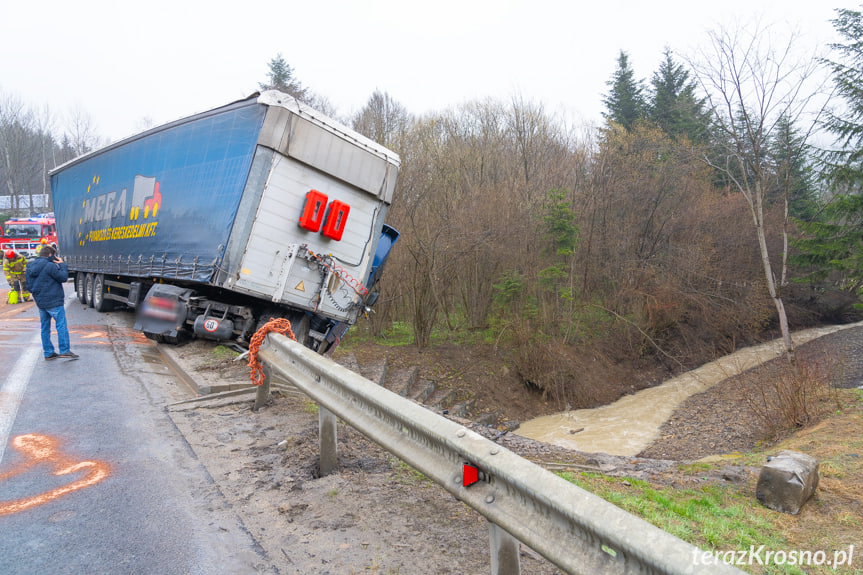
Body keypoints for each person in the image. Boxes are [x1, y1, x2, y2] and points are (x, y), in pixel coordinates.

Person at [25, 245, 78, 360]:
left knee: (45, 327)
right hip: (54, 301)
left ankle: (48, 352)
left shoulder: (29, 267)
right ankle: (64, 350)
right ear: (50, 255)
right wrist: (62, 265)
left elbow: (28, 286)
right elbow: (63, 277)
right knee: (61, 325)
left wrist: (37, 294)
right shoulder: (49, 266)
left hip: (41, 302)